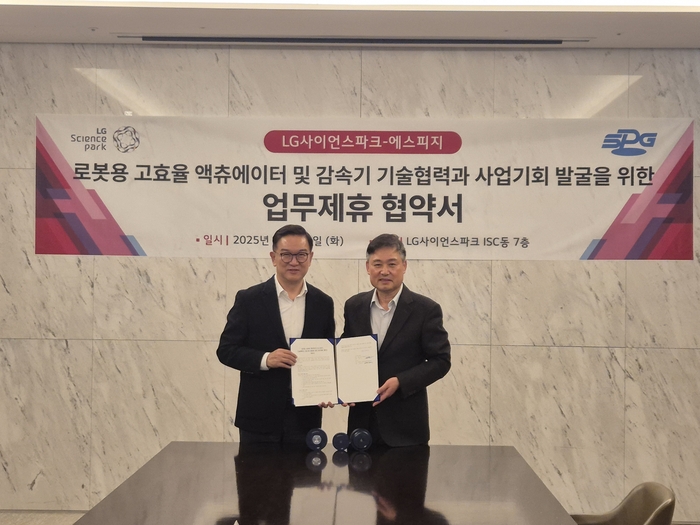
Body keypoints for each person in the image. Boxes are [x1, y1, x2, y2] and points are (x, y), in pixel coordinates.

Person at [217, 224, 335, 445]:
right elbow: (226, 350)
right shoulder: (249, 299)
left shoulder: (323, 303)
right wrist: (265, 359)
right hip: (258, 419)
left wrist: (329, 390)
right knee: (254, 470)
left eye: (301, 255)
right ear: (273, 257)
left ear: (310, 258)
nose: (294, 262)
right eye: (286, 255)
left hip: (305, 420)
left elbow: (328, 355)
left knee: (305, 470)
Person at [342, 234, 451, 447]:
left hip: (406, 429)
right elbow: (346, 352)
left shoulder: (425, 309)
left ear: (404, 266)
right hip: (360, 425)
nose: (384, 271)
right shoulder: (354, 306)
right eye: (377, 264)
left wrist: (401, 381)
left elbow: (441, 361)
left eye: (392, 264)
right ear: (368, 267)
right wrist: (339, 387)